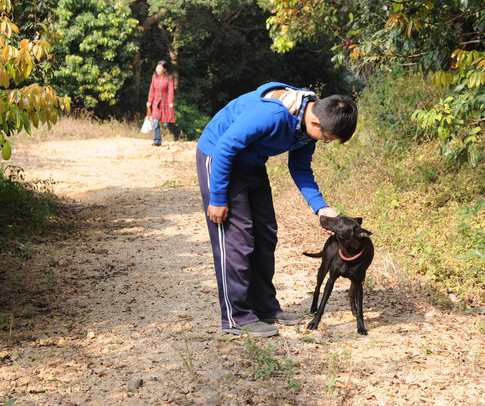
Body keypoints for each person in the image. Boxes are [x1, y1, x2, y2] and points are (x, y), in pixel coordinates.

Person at [196, 82, 358, 337]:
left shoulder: (308, 124)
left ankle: (264, 307)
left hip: (251, 162)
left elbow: (301, 169)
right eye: (328, 138)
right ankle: (236, 316)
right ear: (317, 124)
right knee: (237, 240)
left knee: (265, 234)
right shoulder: (271, 115)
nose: (325, 142)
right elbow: (226, 148)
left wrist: (321, 208)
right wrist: (217, 199)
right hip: (219, 158)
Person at [146, 60, 180, 146]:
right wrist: (149, 101)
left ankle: (176, 131)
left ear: (164, 69)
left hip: (166, 103)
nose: (158, 70)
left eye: (160, 68)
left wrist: (171, 102)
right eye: (157, 68)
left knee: (167, 123)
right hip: (156, 103)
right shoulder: (154, 77)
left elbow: (170, 91)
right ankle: (157, 141)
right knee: (155, 122)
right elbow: (152, 89)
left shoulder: (169, 78)